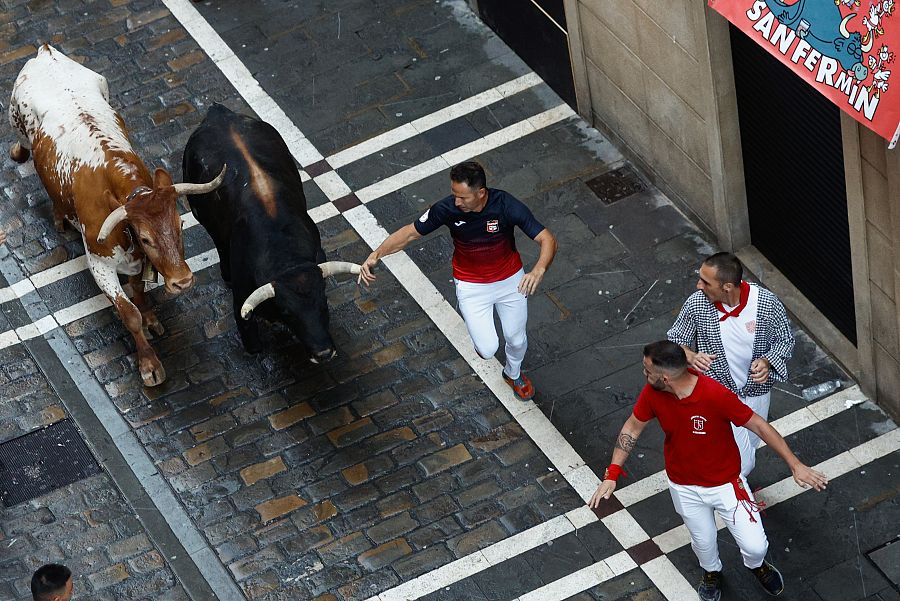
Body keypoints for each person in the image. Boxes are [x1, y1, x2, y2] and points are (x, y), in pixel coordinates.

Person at [589, 341, 827, 601]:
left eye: (648, 371)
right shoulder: (652, 393)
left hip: (726, 485)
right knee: (702, 543)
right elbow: (632, 428)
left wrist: (796, 465)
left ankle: (757, 565)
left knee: (755, 546)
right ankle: (711, 572)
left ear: (666, 377)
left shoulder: (714, 395)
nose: (644, 375)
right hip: (684, 486)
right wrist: (612, 474)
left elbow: (758, 425)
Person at [359, 161, 557, 400]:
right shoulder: (446, 209)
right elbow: (409, 233)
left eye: (462, 197)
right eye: (454, 195)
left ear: (481, 193)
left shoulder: (506, 205)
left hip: (510, 281)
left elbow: (547, 239)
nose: (456, 202)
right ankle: (483, 338)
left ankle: (513, 373)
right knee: (487, 349)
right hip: (471, 286)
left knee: (516, 339)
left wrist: (538, 270)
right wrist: (376, 254)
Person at [668, 252, 794, 477]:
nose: (698, 286)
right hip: (718, 395)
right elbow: (675, 339)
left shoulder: (765, 303)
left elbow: (785, 340)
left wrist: (767, 362)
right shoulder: (697, 304)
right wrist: (690, 356)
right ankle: (734, 502)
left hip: (756, 393)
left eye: (705, 282)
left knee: (751, 445)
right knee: (741, 462)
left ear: (726, 287)